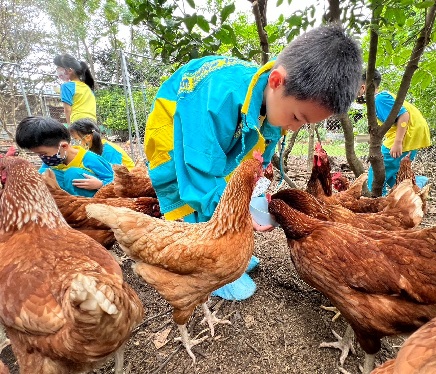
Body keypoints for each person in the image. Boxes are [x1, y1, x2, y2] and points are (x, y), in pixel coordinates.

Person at [144, 23, 363, 300]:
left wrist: (253, 199)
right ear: (276, 81)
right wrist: (238, 213)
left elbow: (254, 164)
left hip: (217, 130)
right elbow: (198, 171)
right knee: (191, 194)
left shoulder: (274, 102)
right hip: (180, 129)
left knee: (229, 176)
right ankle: (211, 268)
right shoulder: (216, 95)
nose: (294, 128)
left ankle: (225, 249)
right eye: (297, 117)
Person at [358, 69, 431, 195]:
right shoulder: (378, 100)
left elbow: (404, 115)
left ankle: (378, 200)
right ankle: (417, 184)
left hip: (407, 135)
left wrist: (398, 142)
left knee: (377, 170)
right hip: (409, 134)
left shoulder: (379, 100)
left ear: (363, 87)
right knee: (392, 171)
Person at [15, 116, 114, 197]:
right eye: (38, 154)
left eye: (44, 153)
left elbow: (115, 181)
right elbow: (40, 177)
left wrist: (100, 184)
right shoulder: (50, 163)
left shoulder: (90, 159)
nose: (42, 158)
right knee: (44, 175)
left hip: (96, 205)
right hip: (68, 207)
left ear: (64, 146)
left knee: (72, 174)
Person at [69, 119, 136, 170]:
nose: (77, 143)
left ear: (88, 137)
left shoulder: (109, 150)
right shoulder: (91, 147)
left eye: (77, 140)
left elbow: (116, 174)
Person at [54, 54, 97, 125]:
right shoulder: (88, 88)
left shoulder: (66, 86)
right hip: (93, 122)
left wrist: (70, 127)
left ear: (69, 70)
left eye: (59, 67)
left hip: (78, 122)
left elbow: (67, 110)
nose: (58, 70)